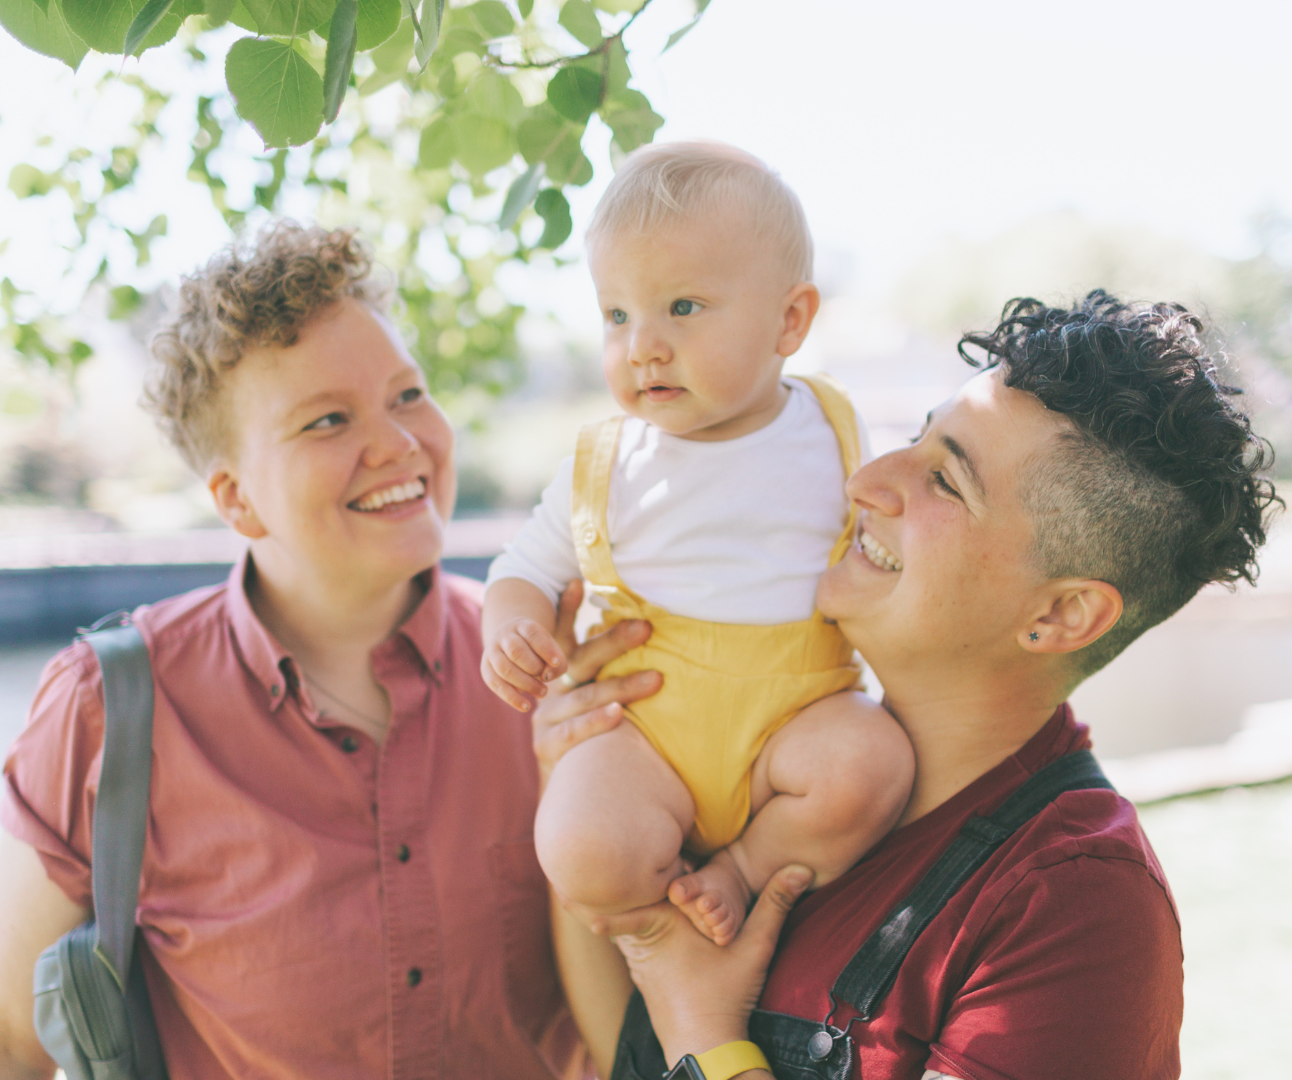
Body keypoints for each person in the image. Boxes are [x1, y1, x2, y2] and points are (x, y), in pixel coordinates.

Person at [536, 291, 1281, 1080]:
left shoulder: (1076, 905)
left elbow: (675, 1027)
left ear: (1061, 614)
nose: (867, 480)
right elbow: (621, 1043)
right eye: (915, 438)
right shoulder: (780, 757)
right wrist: (583, 768)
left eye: (946, 482)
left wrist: (705, 1028)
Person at [0, 222, 661, 1080]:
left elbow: (650, 1010)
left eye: (408, 395)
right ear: (237, 500)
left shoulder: (561, 666)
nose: (397, 443)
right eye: (327, 420)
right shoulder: (107, 710)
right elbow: (15, 1040)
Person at [481, 142, 914, 947]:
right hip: (648, 730)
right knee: (580, 845)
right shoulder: (607, 464)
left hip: (797, 720)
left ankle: (745, 868)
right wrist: (512, 628)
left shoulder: (836, 432)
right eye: (617, 314)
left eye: (682, 308)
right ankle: (662, 948)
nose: (642, 344)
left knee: (871, 765)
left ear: (790, 320)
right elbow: (525, 568)